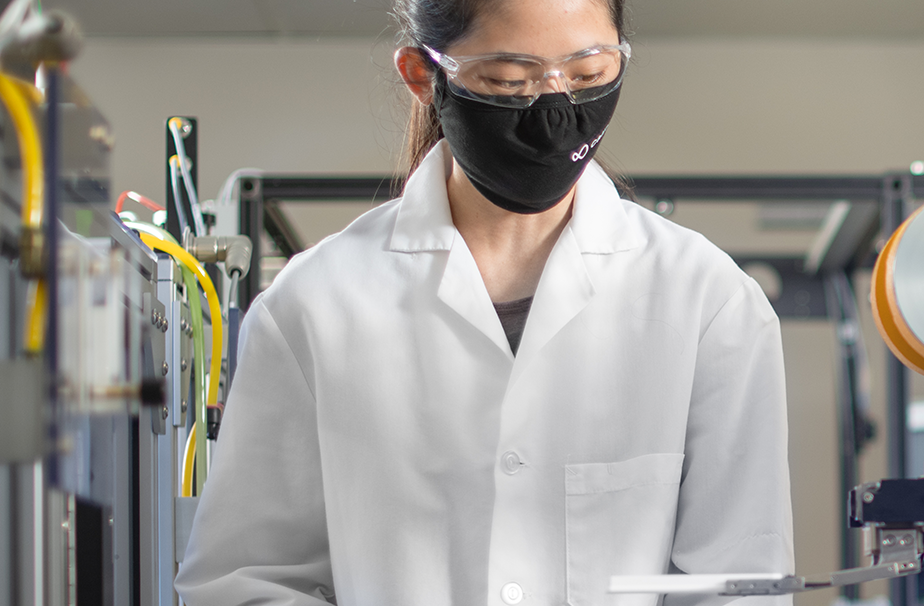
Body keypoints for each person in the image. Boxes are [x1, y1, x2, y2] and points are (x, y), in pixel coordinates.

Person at [175, 0, 792, 603]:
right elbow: (246, 580)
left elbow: (739, 583)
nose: (554, 109)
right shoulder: (313, 308)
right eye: (509, 81)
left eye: (587, 75)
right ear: (425, 76)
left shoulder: (708, 302)